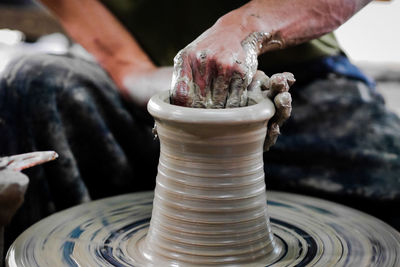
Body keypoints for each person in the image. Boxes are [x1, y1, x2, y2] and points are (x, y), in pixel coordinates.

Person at [1, 0, 400, 255]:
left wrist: (248, 27)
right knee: (31, 84)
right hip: (155, 88)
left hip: (293, 76)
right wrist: (150, 83)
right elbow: (122, 60)